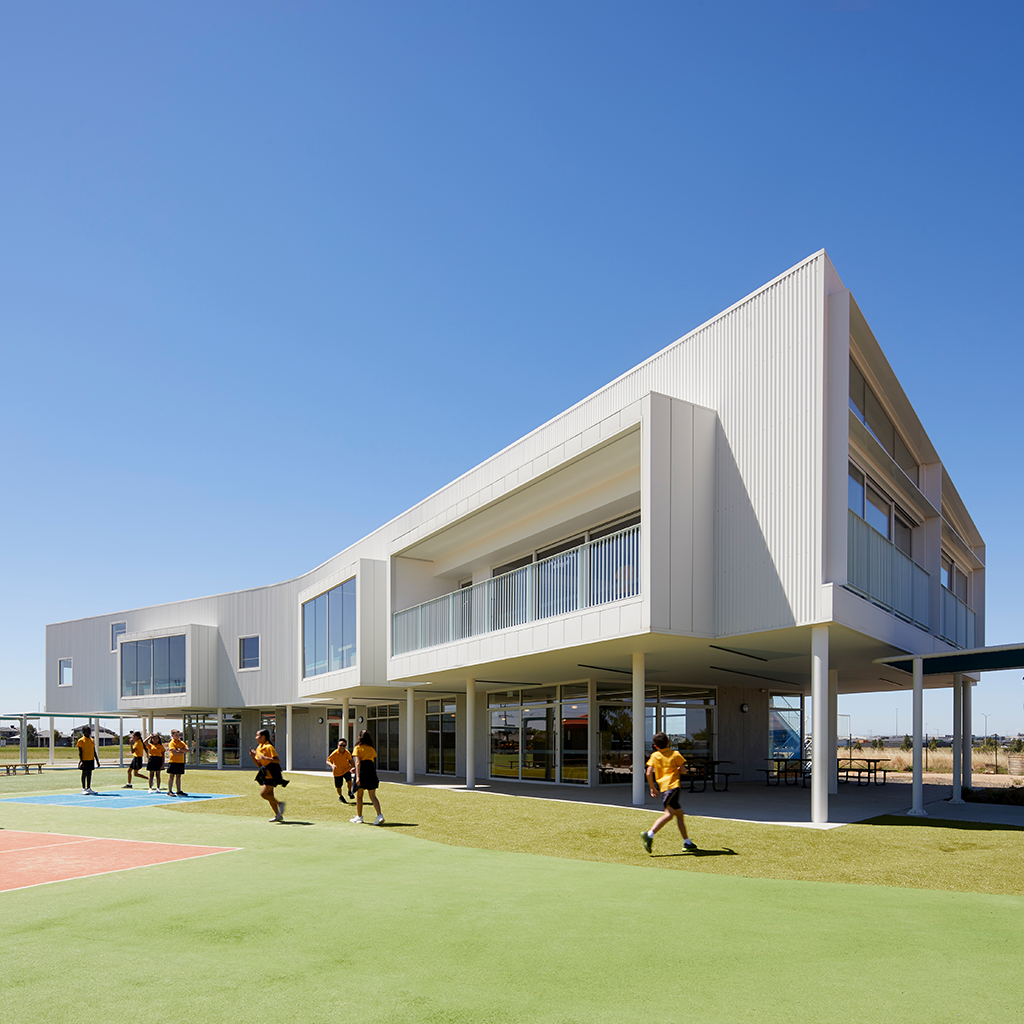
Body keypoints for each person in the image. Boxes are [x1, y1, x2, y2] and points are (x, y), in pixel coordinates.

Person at [640, 731, 697, 855]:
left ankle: (687, 842)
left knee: (679, 814)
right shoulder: (675, 754)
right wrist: (679, 770)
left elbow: (649, 773)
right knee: (669, 814)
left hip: (664, 788)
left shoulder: (655, 756)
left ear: (655, 746)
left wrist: (652, 788)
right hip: (673, 787)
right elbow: (684, 771)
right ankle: (649, 834)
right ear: (669, 742)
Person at [250, 729, 289, 822]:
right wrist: (252, 756)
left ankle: (280, 803)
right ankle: (278, 815)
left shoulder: (269, 747)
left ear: (263, 737)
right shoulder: (259, 747)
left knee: (263, 794)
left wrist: (265, 758)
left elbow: (277, 760)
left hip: (272, 773)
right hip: (265, 773)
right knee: (270, 795)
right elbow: (259, 764)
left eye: (258, 735)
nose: (256, 737)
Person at [350, 730, 384, 825]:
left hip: (362, 772)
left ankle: (359, 817)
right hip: (371, 771)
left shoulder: (358, 747)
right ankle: (379, 815)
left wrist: (357, 776)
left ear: (360, 737)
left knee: (359, 795)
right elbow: (369, 761)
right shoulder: (372, 748)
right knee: (373, 796)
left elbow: (358, 762)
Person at [326, 737, 355, 803]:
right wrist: (332, 765)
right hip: (337, 771)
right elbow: (328, 761)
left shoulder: (347, 752)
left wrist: (354, 767)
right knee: (338, 786)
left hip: (346, 769)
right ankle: (341, 796)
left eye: (344, 745)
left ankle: (350, 792)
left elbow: (351, 760)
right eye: (340, 745)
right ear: (338, 745)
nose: (342, 747)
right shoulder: (335, 753)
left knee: (349, 781)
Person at [76, 725, 100, 794]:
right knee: (84, 774)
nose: (89, 733)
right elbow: (80, 752)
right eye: (87, 731)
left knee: (89, 774)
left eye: (89, 731)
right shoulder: (81, 741)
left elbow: (94, 751)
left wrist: (97, 761)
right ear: (83, 732)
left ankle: (89, 788)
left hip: (91, 759)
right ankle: (83, 788)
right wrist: (81, 761)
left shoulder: (92, 740)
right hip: (84, 760)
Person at [166, 729, 189, 797]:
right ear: (172, 735)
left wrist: (179, 750)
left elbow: (187, 750)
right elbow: (174, 752)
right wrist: (182, 751)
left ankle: (179, 790)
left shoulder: (181, 742)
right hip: (173, 761)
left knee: (178, 776)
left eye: (178, 735)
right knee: (172, 775)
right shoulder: (171, 743)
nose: (177, 736)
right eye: (176, 735)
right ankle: (169, 791)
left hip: (180, 761)